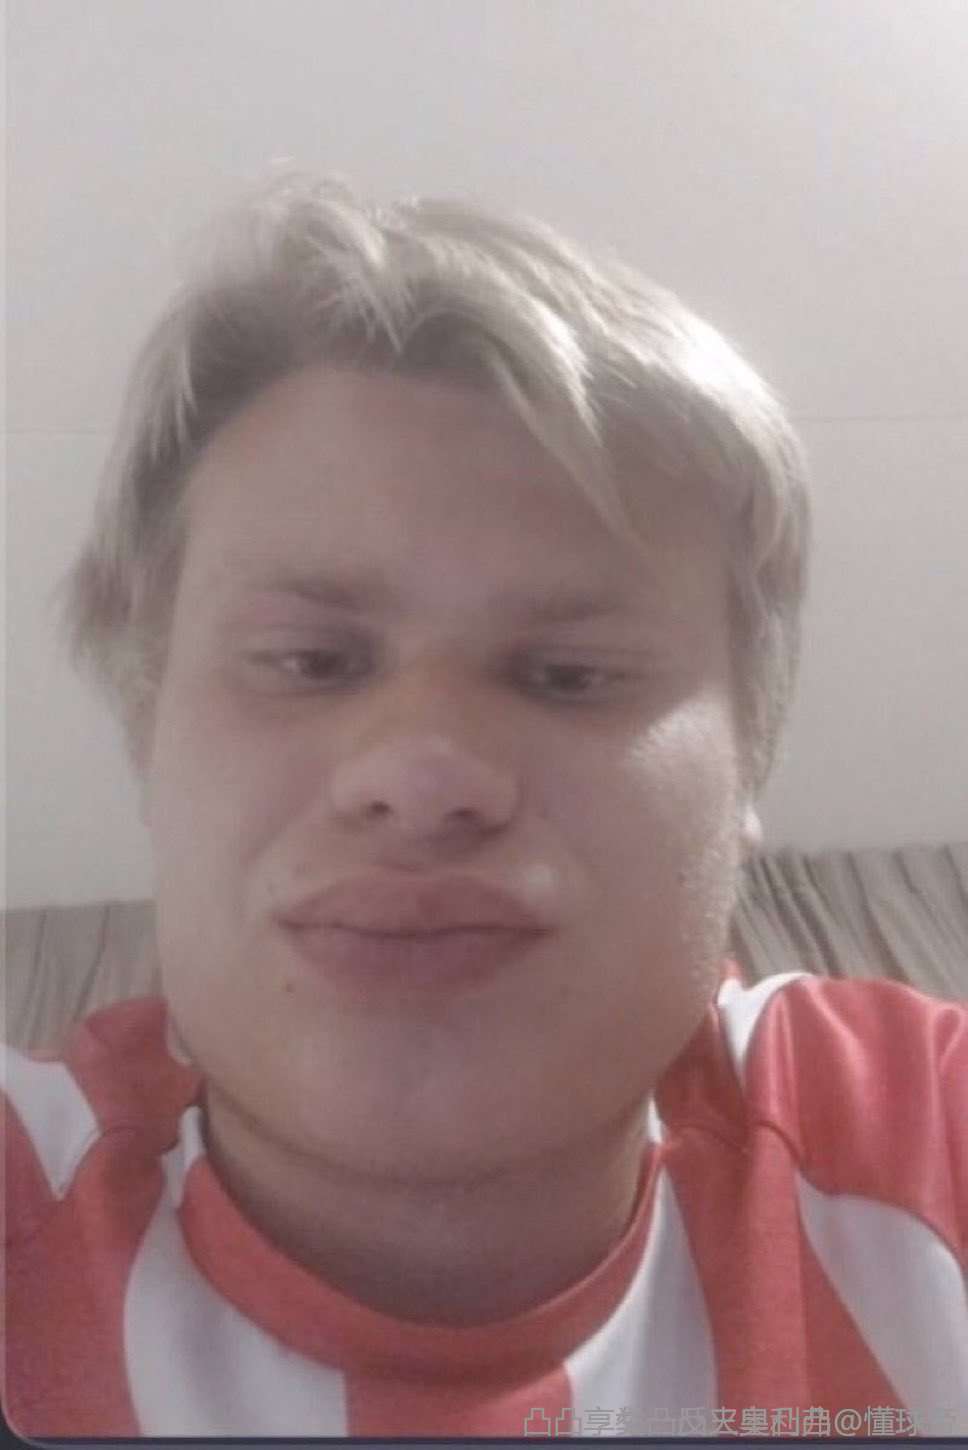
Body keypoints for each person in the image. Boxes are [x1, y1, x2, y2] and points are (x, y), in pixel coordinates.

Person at [2, 169, 965, 1441]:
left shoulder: (929, 1139)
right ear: (148, 731)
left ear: (750, 765)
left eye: (568, 675)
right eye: (310, 660)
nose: (420, 772)